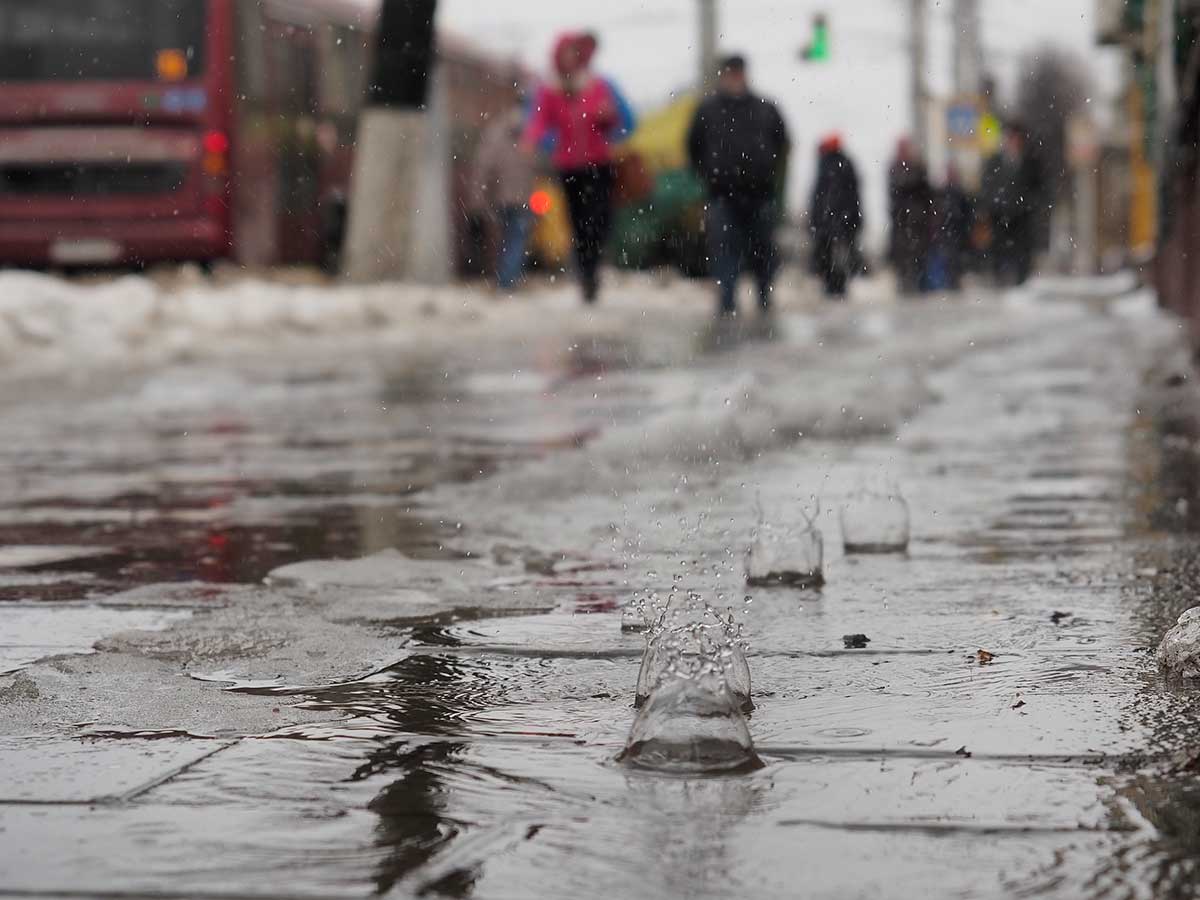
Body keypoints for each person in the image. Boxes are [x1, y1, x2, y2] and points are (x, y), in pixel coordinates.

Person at [522, 32, 635, 303]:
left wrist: (608, 120)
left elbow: (621, 120)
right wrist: (534, 140)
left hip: (598, 164)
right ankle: (586, 273)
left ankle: (593, 265)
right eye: (565, 55)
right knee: (578, 222)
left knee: (598, 219)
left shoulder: (597, 86)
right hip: (569, 167)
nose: (569, 60)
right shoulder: (550, 91)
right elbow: (540, 120)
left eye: (574, 54)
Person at [687, 54, 790, 318]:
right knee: (724, 248)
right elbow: (693, 147)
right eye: (730, 73)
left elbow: (782, 144)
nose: (734, 78)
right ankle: (727, 301)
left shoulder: (765, 108)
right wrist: (710, 175)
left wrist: (767, 174)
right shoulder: (708, 110)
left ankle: (764, 296)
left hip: (759, 193)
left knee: (762, 249)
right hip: (722, 194)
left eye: (738, 72)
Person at [473, 100, 536, 292]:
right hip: (523, 197)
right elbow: (539, 166)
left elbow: (483, 167)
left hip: (500, 197)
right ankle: (509, 280)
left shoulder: (495, 132)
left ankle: (505, 278)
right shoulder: (531, 133)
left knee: (505, 238)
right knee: (517, 238)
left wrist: (479, 197)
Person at [808, 133, 862, 298]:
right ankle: (838, 286)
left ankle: (834, 286)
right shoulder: (844, 164)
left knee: (831, 256)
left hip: (831, 222)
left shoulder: (827, 165)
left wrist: (817, 219)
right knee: (838, 256)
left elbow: (821, 196)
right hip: (839, 221)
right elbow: (853, 195)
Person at [982, 127, 1037, 286]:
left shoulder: (1029, 162)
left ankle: (1021, 281)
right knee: (999, 249)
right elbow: (988, 186)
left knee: (1021, 251)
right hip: (999, 215)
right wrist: (993, 205)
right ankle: (999, 279)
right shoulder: (995, 161)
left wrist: (1028, 204)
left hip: (1022, 216)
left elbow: (1037, 188)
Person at [887, 137, 933, 294]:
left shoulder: (918, 168)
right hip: (902, 223)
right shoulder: (895, 168)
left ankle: (919, 285)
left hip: (917, 222)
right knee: (903, 259)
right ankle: (906, 285)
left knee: (918, 257)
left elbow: (926, 194)